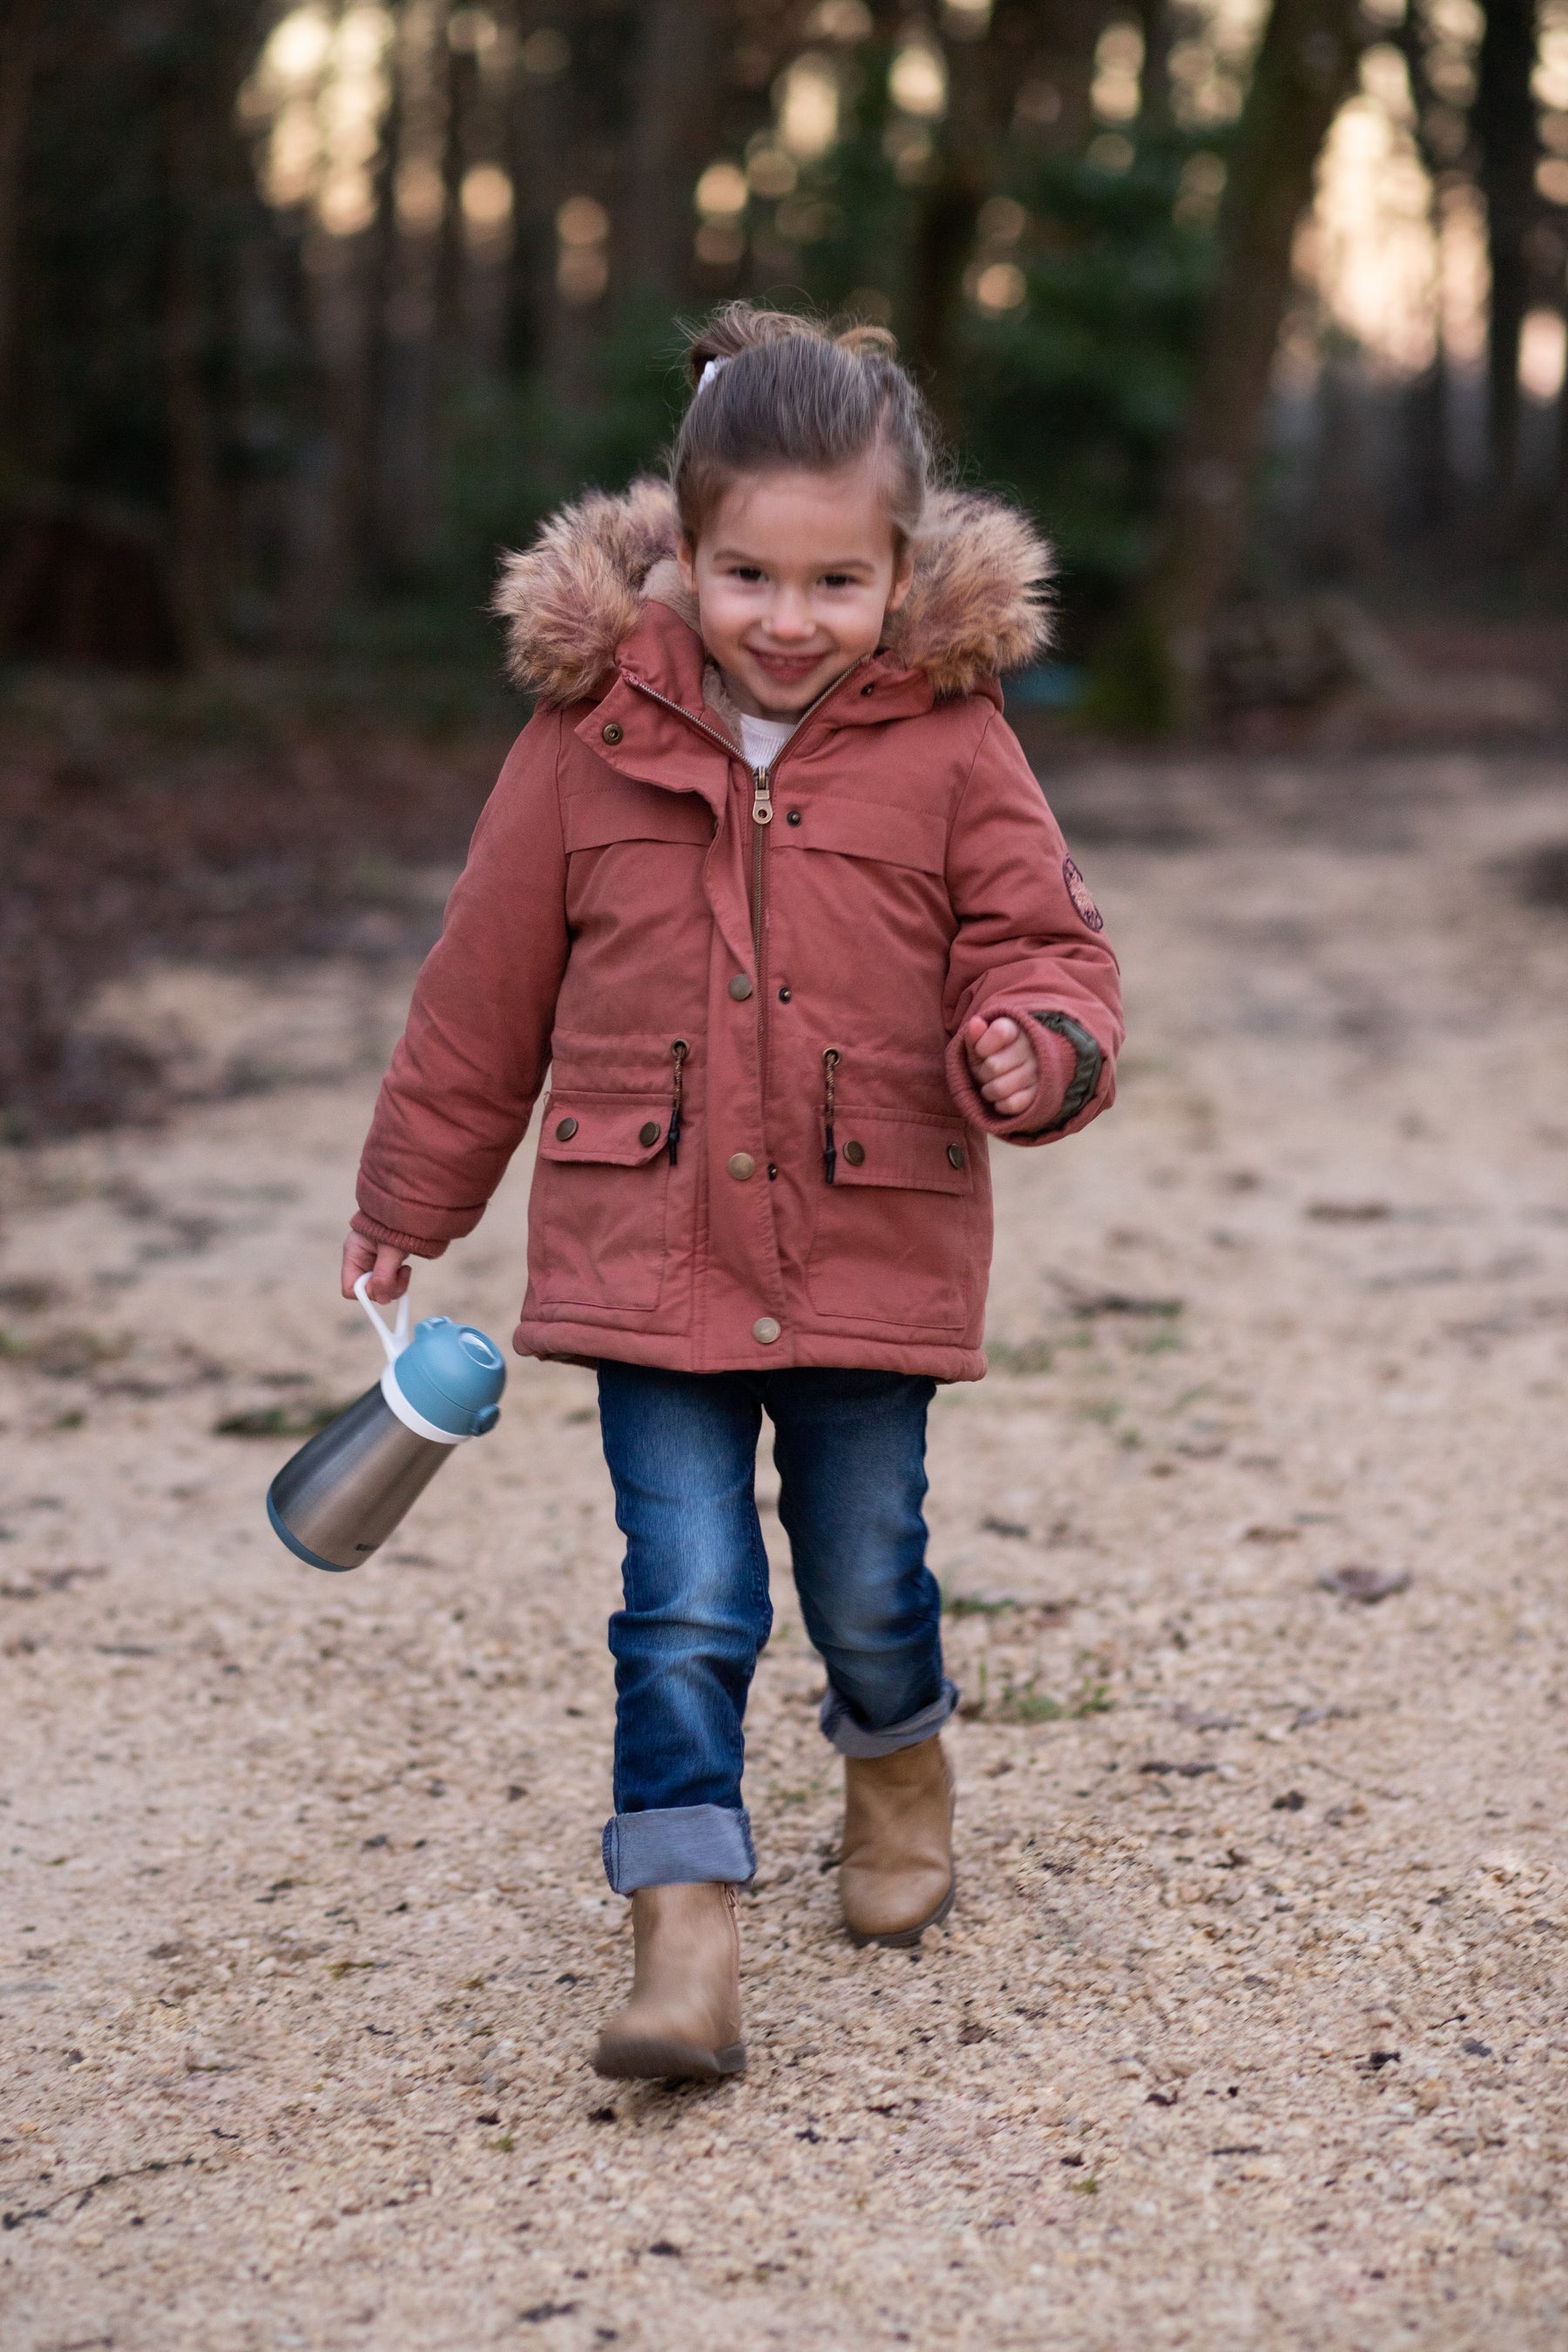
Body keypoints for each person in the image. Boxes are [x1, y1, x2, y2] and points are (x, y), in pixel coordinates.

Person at [342, 305, 1123, 2083]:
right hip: (653, 1248)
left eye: (836, 582)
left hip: (869, 1234)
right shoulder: (586, 740)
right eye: (747, 575)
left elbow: (1049, 945)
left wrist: (1039, 1045)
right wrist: (410, 1195)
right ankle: (682, 1927)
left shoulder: (953, 740)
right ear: (680, 557)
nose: (787, 618)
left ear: (900, 572)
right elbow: (481, 996)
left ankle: (895, 1751)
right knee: (684, 1595)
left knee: (865, 1572)